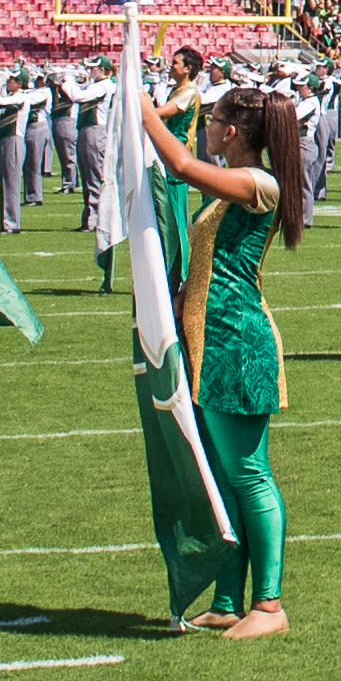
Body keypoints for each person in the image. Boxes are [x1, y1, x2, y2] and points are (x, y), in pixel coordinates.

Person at [136, 84, 296, 631]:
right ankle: (228, 601)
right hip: (210, 343)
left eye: (210, 120)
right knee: (223, 481)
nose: (204, 129)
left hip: (239, 344)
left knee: (249, 476)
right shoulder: (231, 184)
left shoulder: (259, 183)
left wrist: (143, 109)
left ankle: (269, 605)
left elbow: (180, 165)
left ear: (230, 131)